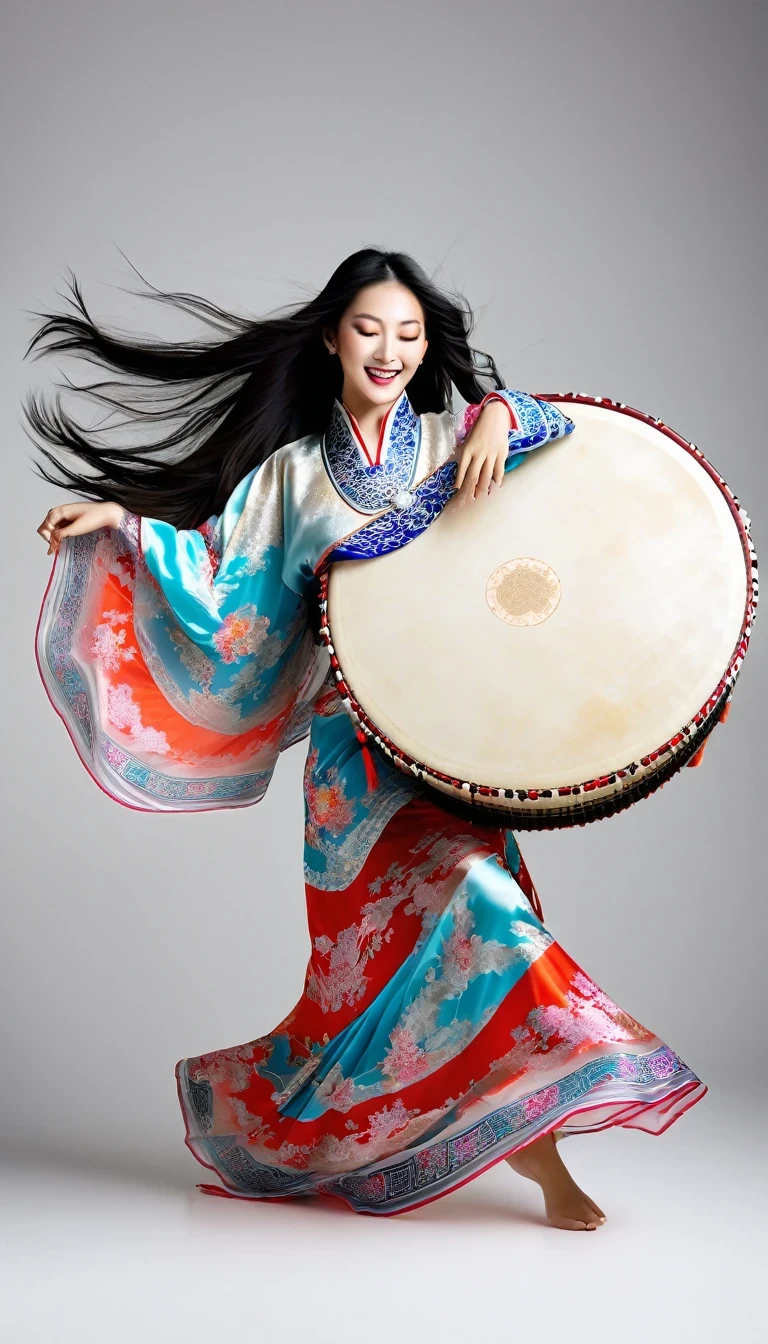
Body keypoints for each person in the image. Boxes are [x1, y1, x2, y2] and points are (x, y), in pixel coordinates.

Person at [32, 247, 708, 1230]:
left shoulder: (454, 434)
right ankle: (383, 1142)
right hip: (354, 776)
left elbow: (569, 433)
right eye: (369, 329)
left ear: (426, 346)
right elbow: (221, 574)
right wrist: (126, 529)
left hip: (450, 756)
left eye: (409, 333)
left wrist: (508, 415)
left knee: (496, 931)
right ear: (331, 340)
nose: (389, 349)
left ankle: (544, 1160)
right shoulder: (296, 478)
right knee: (374, 991)